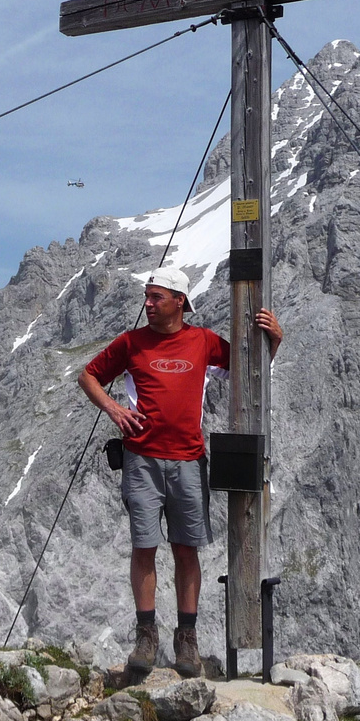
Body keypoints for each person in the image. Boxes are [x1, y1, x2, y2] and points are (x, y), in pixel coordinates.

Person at [77, 266, 282, 677]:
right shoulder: (131, 343)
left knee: (186, 550)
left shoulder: (202, 342)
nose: (148, 304)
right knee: (144, 547)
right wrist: (115, 410)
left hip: (189, 460)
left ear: (180, 302)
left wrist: (274, 339)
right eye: (147, 297)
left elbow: (248, 368)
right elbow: (88, 376)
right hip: (141, 461)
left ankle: (186, 640)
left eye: (156, 298)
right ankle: (146, 635)